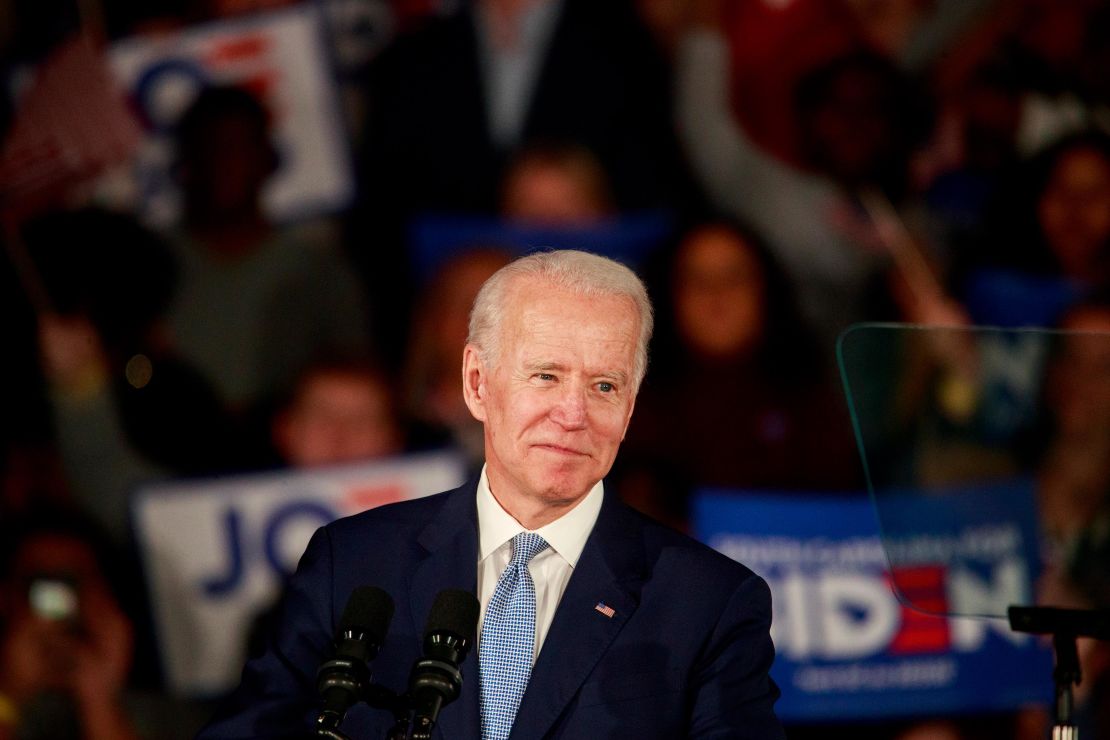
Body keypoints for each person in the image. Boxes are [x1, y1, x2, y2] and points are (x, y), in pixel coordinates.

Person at [199, 250, 784, 738]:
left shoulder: (709, 604)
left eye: (604, 385)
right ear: (477, 383)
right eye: (546, 376)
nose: (573, 414)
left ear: (628, 410)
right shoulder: (351, 565)